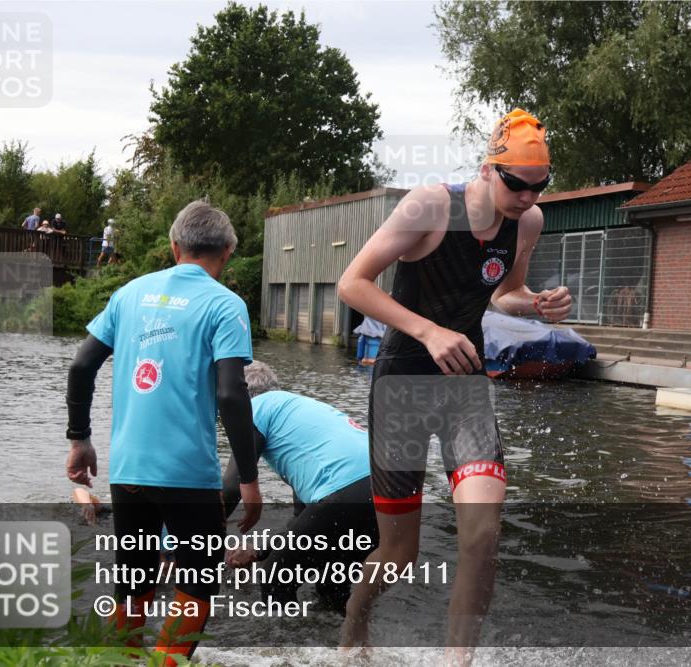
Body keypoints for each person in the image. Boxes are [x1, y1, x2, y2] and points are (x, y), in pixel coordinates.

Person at [336, 108, 572, 661]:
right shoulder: (431, 205)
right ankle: (354, 624)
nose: (528, 199)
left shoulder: (528, 222)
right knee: (399, 554)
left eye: (541, 188)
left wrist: (535, 303)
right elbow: (353, 283)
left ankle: (456, 661)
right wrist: (427, 330)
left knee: (483, 536)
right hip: (403, 385)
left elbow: (502, 293)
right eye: (518, 185)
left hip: (465, 384)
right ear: (489, 168)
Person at [64, 200, 259, 666]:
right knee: (196, 583)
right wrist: (249, 480)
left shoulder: (129, 294)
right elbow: (232, 395)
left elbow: (81, 365)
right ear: (227, 252)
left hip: (128, 469)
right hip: (189, 475)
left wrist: (80, 438)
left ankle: (121, 661)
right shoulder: (226, 305)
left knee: (133, 581)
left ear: (175, 247)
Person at [221, 361, 378, 613]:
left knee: (275, 578)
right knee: (331, 583)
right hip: (387, 490)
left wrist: (191, 546)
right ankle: (344, 645)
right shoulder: (298, 415)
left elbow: (229, 489)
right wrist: (258, 551)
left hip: (346, 489)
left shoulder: (253, 408)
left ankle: (284, 651)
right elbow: (301, 521)